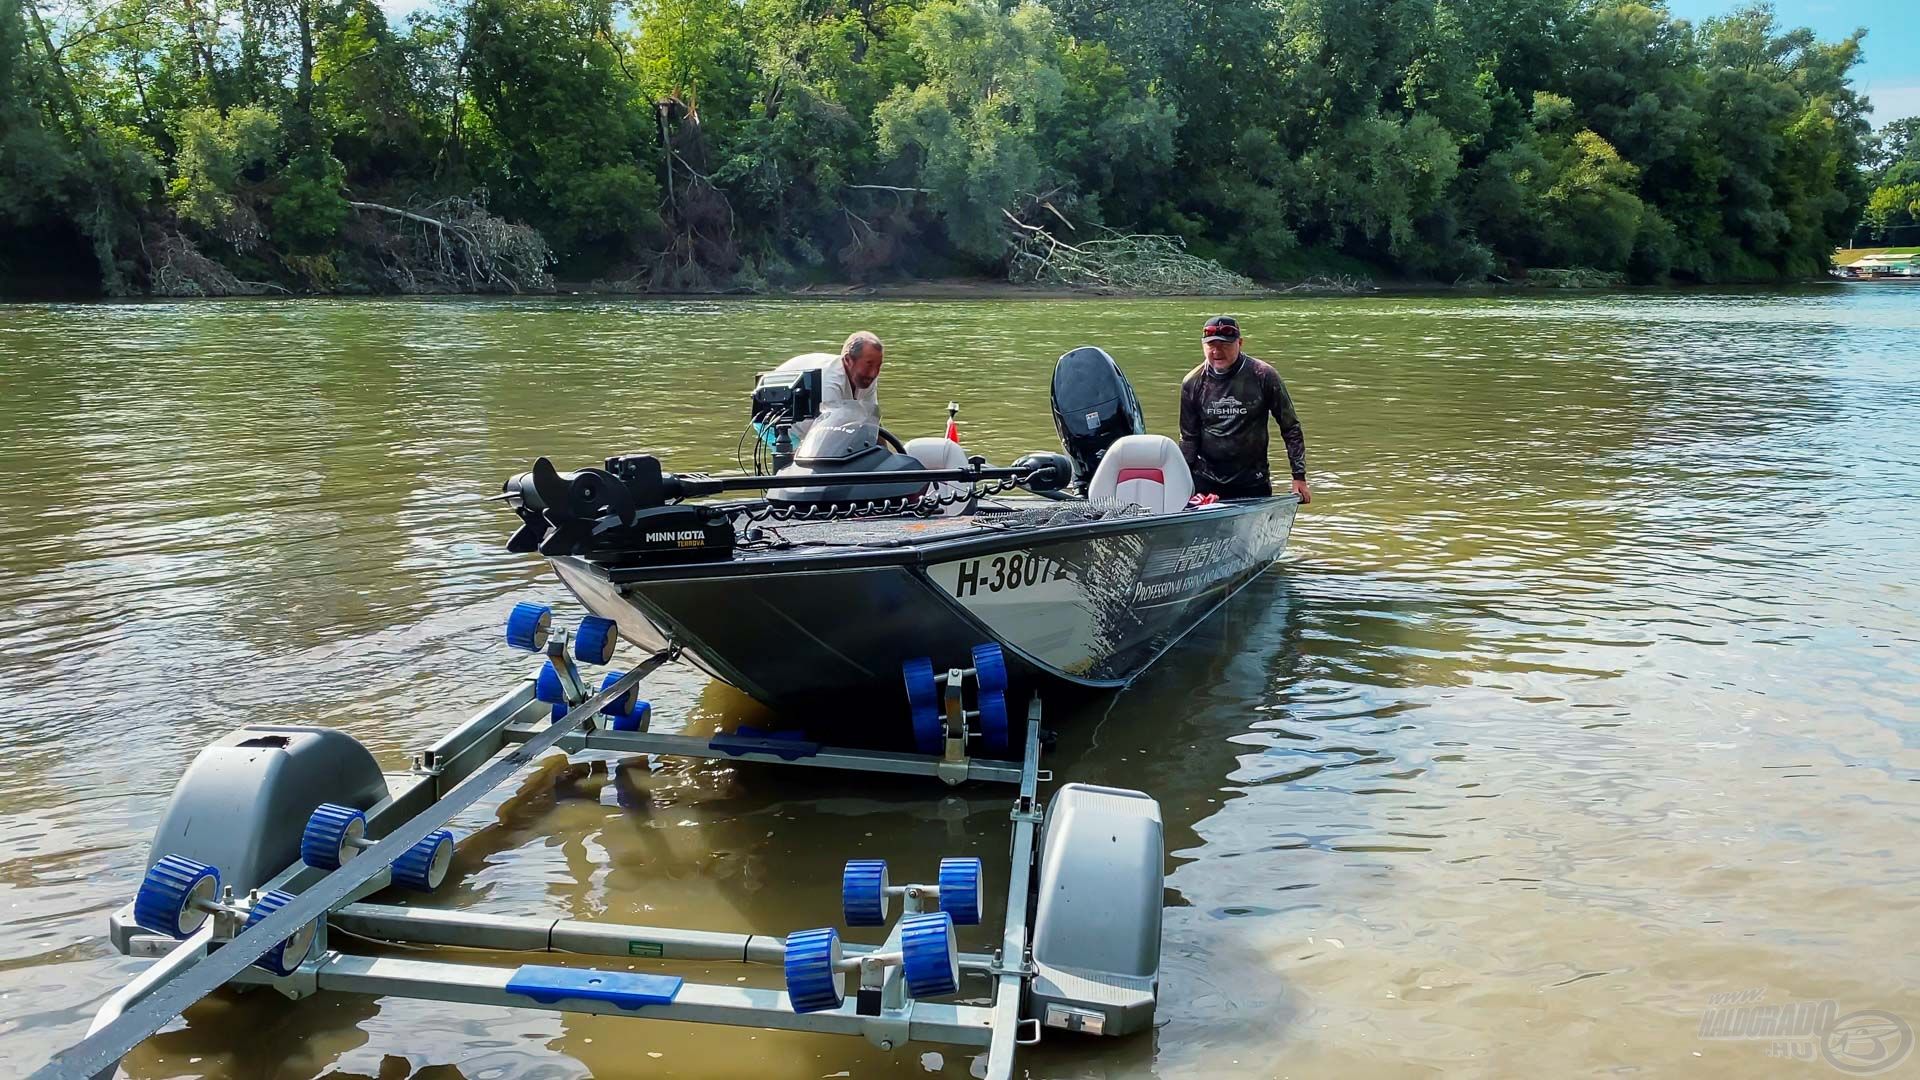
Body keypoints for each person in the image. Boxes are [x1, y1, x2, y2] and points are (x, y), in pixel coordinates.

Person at [1177, 315, 1311, 503]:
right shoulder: (1192, 382)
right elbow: (1188, 438)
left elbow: (1290, 427)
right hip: (1206, 482)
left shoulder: (1263, 375)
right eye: (1211, 345)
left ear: (1240, 343)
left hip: (1252, 483)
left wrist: (1299, 477)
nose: (1217, 351)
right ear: (1203, 345)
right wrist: (1181, 483)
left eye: (1225, 345)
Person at [767, 331, 884, 441]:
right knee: (803, 457)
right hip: (775, 421)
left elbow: (872, 422)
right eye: (868, 364)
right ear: (848, 360)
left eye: (878, 366)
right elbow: (829, 432)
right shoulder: (830, 380)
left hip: (816, 424)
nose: (873, 373)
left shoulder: (868, 378)